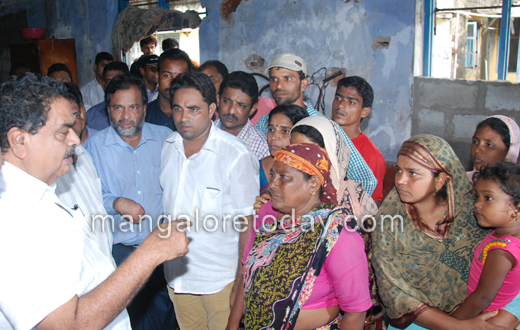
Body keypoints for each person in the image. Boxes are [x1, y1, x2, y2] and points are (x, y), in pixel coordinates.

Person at [0, 72, 189, 330]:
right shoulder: (12, 220)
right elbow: (68, 325)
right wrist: (151, 251)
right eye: (62, 131)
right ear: (20, 141)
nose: (75, 140)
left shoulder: (43, 196)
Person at [372, 134, 520, 330]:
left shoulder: (476, 213)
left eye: (412, 173)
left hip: (485, 318)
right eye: (399, 170)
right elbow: (396, 294)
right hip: (417, 324)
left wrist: (510, 313)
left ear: (440, 179)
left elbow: (510, 277)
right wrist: (460, 327)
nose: (400, 180)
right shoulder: (388, 225)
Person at [161, 71, 259, 330]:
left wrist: (240, 286)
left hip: (220, 282)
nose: (183, 117)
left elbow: (247, 226)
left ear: (212, 108)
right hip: (178, 278)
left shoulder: (235, 155)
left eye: (193, 109)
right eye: (178, 108)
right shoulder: (168, 146)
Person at [238, 143, 371, 329]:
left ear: (313, 184)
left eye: (283, 177)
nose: (273, 184)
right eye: (272, 175)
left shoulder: (336, 233)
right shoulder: (268, 214)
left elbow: (355, 311)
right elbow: (247, 274)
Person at [85, 74, 177, 330]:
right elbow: (87, 197)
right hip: (119, 253)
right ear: (108, 110)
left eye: (134, 107)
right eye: (118, 107)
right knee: (129, 321)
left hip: (161, 248)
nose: (126, 115)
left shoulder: (166, 139)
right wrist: (115, 203)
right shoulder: (93, 148)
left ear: (145, 109)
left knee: (167, 318)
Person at [255, 53, 378, 196]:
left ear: (304, 84)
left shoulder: (324, 127)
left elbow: (366, 180)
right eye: (274, 79)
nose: (279, 85)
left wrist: (341, 214)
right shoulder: (264, 122)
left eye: (287, 78)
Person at [451, 162, 520, 328]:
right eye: (477, 197)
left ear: (516, 207)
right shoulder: (505, 236)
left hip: (485, 317)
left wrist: (451, 322)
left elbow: (482, 298)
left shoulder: (501, 251)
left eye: (488, 198)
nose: (478, 204)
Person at [55, 82, 113, 262]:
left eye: (76, 116)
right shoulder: (48, 174)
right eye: (64, 126)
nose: (73, 132)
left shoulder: (83, 153)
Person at [332, 76, 386, 205]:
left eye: (351, 102)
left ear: (364, 112)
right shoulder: (321, 137)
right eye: (338, 98)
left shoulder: (371, 155)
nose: (341, 106)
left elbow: (372, 205)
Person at [215, 71, 269, 160]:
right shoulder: (202, 135)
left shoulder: (261, 148)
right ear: (218, 100)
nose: (231, 111)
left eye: (241, 105)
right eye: (227, 101)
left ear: (252, 109)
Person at [258, 104, 309, 195]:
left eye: (285, 131)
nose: (274, 137)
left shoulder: (308, 174)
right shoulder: (255, 168)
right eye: (271, 129)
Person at [145, 49, 193, 131]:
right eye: (167, 76)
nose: (173, 82)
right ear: (157, 76)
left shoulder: (195, 116)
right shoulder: (144, 115)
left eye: (180, 77)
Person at [468, 115, 520, 180]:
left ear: (509, 150)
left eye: (489, 144)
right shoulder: (460, 182)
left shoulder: (515, 188)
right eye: (475, 142)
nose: (477, 150)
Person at [86, 61, 129, 131]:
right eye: (108, 81)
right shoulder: (92, 115)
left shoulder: (137, 111)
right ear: (103, 83)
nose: (112, 84)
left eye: (116, 80)